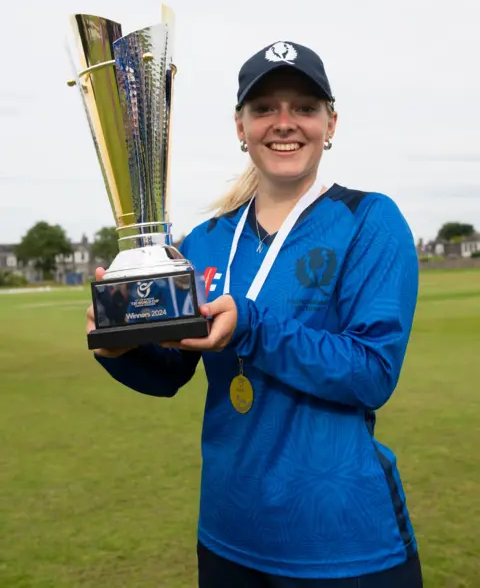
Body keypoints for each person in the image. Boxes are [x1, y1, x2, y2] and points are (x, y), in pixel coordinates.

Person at [87, 40, 424, 587]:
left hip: (344, 543)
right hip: (228, 534)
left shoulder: (369, 220)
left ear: (330, 123)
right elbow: (171, 371)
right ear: (240, 127)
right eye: (264, 108)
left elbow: (371, 373)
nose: (283, 123)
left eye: (304, 108)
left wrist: (251, 325)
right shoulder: (206, 240)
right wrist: (119, 347)